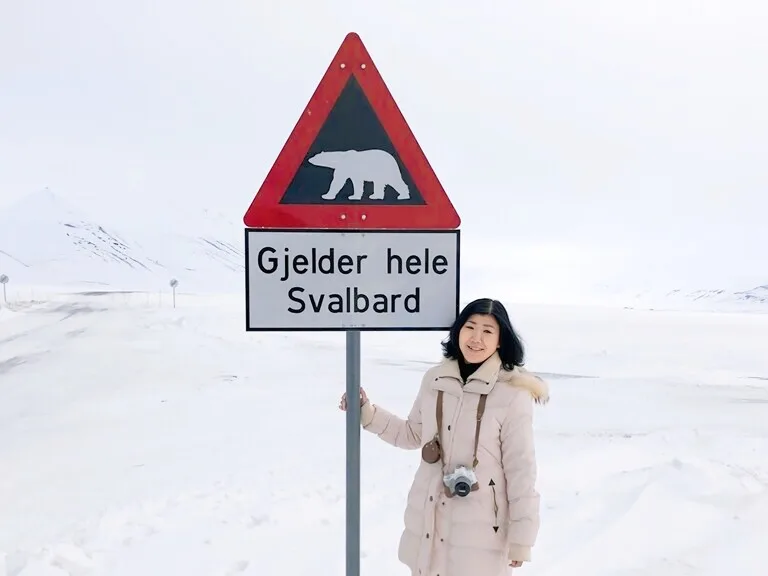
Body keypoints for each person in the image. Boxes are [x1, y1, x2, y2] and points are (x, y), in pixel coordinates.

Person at [339, 298, 549, 576]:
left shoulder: (512, 394)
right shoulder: (435, 379)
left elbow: (521, 469)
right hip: (430, 522)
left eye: (487, 331)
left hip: (481, 535)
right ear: (458, 330)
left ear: (500, 340)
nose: (476, 338)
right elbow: (412, 433)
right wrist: (366, 412)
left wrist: (522, 539)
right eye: (470, 327)